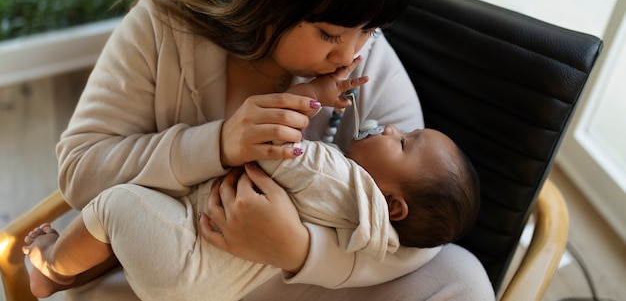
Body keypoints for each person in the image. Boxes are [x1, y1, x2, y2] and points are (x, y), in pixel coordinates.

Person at [54, 0, 495, 299]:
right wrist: (217, 144)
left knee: (462, 277)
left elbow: (414, 229)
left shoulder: (364, 61)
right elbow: (80, 171)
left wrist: (300, 249)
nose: (351, 54)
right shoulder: (163, 27)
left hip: (293, 282)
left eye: (369, 31)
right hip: (176, 269)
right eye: (328, 34)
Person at [24, 67, 480, 300]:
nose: (390, 128)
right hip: (211, 284)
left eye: (402, 142)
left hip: (186, 253)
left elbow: (270, 147)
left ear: (391, 202)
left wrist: (309, 97)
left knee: (112, 204)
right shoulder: (373, 233)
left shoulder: (334, 174)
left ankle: (48, 269)